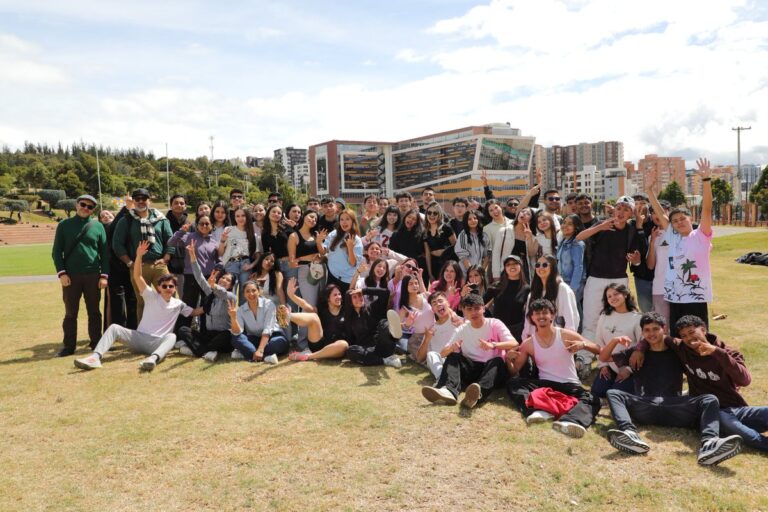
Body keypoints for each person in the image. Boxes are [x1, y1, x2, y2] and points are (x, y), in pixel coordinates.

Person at [601, 312, 743, 465]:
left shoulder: (679, 352)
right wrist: (619, 342)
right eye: (647, 330)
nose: (651, 333)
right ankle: (630, 434)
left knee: (709, 399)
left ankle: (710, 443)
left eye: (655, 329)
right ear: (642, 333)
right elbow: (604, 358)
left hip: (675, 405)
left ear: (664, 329)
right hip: (646, 405)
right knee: (614, 394)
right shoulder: (635, 353)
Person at [631, 315, 768, 453]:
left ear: (703, 329)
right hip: (707, 412)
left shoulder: (728, 352)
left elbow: (745, 380)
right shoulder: (682, 348)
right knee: (726, 420)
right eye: (684, 335)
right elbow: (657, 335)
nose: (689, 338)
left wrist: (716, 352)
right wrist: (639, 348)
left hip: (734, 408)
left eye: (692, 332)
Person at [74, 241, 203, 372]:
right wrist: (139, 255)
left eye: (171, 286)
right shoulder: (151, 296)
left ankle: (152, 359)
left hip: (158, 343)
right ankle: (95, 358)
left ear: (175, 288)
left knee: (172, 337)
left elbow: (194, 312)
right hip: (139, 338)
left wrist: (211, 304)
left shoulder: (179, 304)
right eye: (164, 286)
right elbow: (137, 276)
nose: (168, 288)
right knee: (114, 328)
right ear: (159, 287)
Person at [506, 299, 601, 438]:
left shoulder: (565, 335)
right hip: (546, 386)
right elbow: (514, 371)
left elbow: (599, 350)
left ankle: (571, 421)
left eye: (545, 313)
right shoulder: (528, 344)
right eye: (537, 314)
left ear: (553, 315)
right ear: (532, 318)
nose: (541, 317)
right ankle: (538, 411)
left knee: (593, 399)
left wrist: (583, 345)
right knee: (514, 383)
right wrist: (508, 359)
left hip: (570, 385)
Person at [650, 158, 714, 332]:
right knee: (678, 338)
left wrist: (706, 181)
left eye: (682, 219)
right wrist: (649, 191)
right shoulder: (673, 237)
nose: (679, 223)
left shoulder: (700, 235)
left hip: (696, 297)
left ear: (690, 219)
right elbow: (660, 213)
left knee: (698, 337)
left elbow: (707, 209)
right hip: (675, 297)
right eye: (675, 221)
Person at [421, 293, 517, 408]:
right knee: (453, 356)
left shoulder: (494, 323)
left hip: (492, 371)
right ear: (464, 312)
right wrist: (452, 348)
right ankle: (449, 391)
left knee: (497, 361)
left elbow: (514, 343)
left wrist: (493, 345)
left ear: (483, 309)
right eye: (469, 309)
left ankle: (477, 395)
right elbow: (442, 353)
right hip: (472, 369)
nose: (473, 312)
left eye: (477, 308)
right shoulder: (462, 329)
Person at [575, 195, 641, 345]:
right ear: (614, 210)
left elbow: (636, 260)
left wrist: (636, 260)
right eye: (619, 208)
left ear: (631, 214)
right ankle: (586, 355)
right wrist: (600, 227)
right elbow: (579, 237)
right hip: (596, 278)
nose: (621, 212)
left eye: (626, 209)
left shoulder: (631, 231)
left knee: (619, 315)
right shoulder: (602, 224)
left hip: (618, 279)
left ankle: (616, 348)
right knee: (591, 317)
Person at [52, 194, 110, 356]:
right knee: (71, 312)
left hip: (93, 275)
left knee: (94, 311)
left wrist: (104, 275)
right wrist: (61, 273)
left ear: (93, 210)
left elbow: (104, 254)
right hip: (71, 276)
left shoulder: (97, 226)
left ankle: (96, 343)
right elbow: (57, 252)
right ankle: (69, 346)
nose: (86, 208)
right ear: (77, 205)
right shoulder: (64, 225)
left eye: (90, 207)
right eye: (83, 204)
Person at [112, 188, 175, 323]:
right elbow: (117, 244)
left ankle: (166, 331)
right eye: (137, 199)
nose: (141, 201)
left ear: (149, 201)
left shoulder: (161, 219)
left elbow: (170, 241)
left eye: (144, 199)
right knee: (142, 302)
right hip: (138, 267)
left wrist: (166, 258)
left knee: (167, 299)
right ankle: (144, 334)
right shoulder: (126, 220)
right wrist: (130, 263)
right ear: (133, 202)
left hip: (159, 265)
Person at [176, 241, 238, 362]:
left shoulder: (230, 297)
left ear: (231, 286)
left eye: (228, 280)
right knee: (183, 330)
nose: (224, 280)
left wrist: (213, 285)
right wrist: (193, 256)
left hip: (223, 337)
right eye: (223, 278)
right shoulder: (211, 293)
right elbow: (199, 277)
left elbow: (222, 293)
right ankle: (207, 350)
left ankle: (199, 350)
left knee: (227, 335)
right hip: (209, 335)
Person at [167, 214, 220, 327]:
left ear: (211, 226)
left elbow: (218, 259)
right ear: (197, 225)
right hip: (192, 276)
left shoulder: (214, 241)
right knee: (189, 303)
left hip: (208, 278)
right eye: (201, 223)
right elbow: (170, 243)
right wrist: (181, 231)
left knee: (206, 304)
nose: (204, 226)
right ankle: (182, 331)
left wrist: (219, 267)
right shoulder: (189, 236)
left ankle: (204, 331)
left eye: (207, 223)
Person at [591, 283, 642, 398]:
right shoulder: (604, 316)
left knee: (616, 394)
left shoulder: (637, 318)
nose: (612, 298)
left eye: (616, 294)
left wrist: (629, 370)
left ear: (625, 294)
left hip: (628, 366)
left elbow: (641, 346)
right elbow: (599, 341)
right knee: (598, 392)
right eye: (609, 296)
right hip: (609, 364)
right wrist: (603, 365)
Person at [285, 280, 349, 361]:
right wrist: (291, 295)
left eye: (339, 294)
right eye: (335, 295)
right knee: (314, 317)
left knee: (344, 345)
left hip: (336, 347)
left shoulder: (346, 310)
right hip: (319, 343)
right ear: (328, 298)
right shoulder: (322, 310)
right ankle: (287, 316)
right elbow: (305, 305)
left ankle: (309, 356)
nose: (339, 297)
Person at [229, 279, 289, 364]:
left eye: (254, 290)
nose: (251, 294)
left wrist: (260, 350)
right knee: (236, 339)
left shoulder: (269, 304)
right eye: (247, 291)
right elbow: (237, 332)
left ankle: (251, 354)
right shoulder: (241, 310)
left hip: (273, 337)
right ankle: (265, 356)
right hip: (254, 338)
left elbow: (268, 329)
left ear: (259, 291)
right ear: (244, 294)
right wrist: (233, 318)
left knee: (279, 343)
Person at [342, 287, 404, 368]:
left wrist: (364, 290)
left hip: (381, 344)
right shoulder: (348, 319)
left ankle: (394, 336)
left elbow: (385, 293)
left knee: (383, 323)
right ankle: (386, 360)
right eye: (354, 297)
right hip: (368, 351)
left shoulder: (372, 309)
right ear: (350, 302)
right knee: (350, 351)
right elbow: (350, 338)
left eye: (360, 295)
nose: (359, 298)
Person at [521, 255, 579, 340]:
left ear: (553, 267)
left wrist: (567, 341)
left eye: (544, 265)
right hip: (538, 343)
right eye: (537, 265)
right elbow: (528, 323)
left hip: (559, 341)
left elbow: (571, 319)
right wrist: (526, 341)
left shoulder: (563, 289)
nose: (541, 268)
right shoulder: (532, 294)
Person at [416, 291, 463, 380]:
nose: (438, 304)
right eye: (434, 303)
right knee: (431, 355)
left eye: (441, 301)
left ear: (448, 303)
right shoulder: (431, 329)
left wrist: (459, 322)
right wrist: (427, 339)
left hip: (457, 360)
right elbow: (419, 359)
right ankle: (442, 379)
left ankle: (442, 381)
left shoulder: (459, 321)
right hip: (440, 363)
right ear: (433, 309)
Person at [218, 207, 258, 303]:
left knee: (245, 292)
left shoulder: (252, 234)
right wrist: (222, 240)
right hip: (231, 263)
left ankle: (243, 316)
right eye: (237, 216)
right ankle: (228, 316)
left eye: (243, 215)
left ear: (248, 217)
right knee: (229, 292)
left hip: (245, 264)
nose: (240, 218)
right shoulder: (228, 229)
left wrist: (251, 265)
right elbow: (220, 252)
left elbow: (258, 255)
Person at [287, 210, 325, 309]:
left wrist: (319, 243)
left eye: (315, 219)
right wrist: (297, 260)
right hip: (305, 270)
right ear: (304, 216)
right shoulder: (294, 236)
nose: (313, 220)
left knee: (318, 304)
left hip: (319, 270)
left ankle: (313, 324)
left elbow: (323, 254)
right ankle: (306, 324)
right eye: (311, 217)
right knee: (310, 305)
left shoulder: (316, 234)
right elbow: (291, 261)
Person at [489, 255, 529, 342]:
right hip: (497, 329)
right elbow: (480, 302)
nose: (512, 266)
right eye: (508, 264)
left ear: (521, 266)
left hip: (517, 331)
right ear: (505, 268)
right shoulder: (496, 286)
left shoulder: (527, 289)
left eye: (515, 263)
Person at [324, 209, 364, 294]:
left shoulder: (357, 240)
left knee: (346, 305)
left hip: (347, 280)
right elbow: (324, 250)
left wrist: (350, 248)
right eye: (341, 219)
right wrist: (318, 241)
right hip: (332, 276)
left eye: (347, 219)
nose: (344, 222)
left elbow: (353, 263)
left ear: (353, 221)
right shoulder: (333, 234)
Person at [645, 199, 672, 321]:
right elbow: (650, 266)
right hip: (660, 287)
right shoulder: (653, 235)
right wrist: (652, 242)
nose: (657, 215)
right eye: (653, 212)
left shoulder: (677, 232)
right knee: (662, 325)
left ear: (668, 212)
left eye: (660, 211)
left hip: (679, 287)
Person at [398, 272, 434, 357]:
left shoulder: (426, 295)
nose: (414, 286)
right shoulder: (404, 308)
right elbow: (397, 326)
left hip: (434, 334)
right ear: (405, 287)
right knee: (426, 359)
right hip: (417, 339)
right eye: (410, 284)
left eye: (416, 283)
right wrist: (406, 324)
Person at [556, 214, 586, 307]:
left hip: (573, 284)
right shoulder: (563, 242)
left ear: (576, 227)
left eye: (570, 224)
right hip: (563, 282)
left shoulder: (576, 243)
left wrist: (573, 288)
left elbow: (578, 266)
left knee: (571, 311)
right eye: (564, 222)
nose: (565, 225)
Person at [423, 201, 456, 281]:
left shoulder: (446, 228)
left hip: (447, 264)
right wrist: (430, 274)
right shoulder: (425, 232)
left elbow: (456, 246)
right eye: (429, 213)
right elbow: (427, 254)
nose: (432, 215)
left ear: (439, 215)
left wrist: (446, 252)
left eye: (435, 213)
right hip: (434, 264)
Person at [483, 199, 515, 282]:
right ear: (489, 213)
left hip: (514, 262)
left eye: (496, 208)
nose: (495, 211)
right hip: (496, 265)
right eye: (491, 210)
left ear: (501, 207)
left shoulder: (513, 223)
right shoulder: (487, 229)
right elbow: (489, 250)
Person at [166, 194, 188, 293]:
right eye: (176, 203)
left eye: (181, 203)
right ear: (171, 205)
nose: (179, 205)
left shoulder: (189, 224)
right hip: (167, 263)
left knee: (185, 297)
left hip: (184, 266)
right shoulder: (164, 221)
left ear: (185, 206)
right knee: (168, 296)